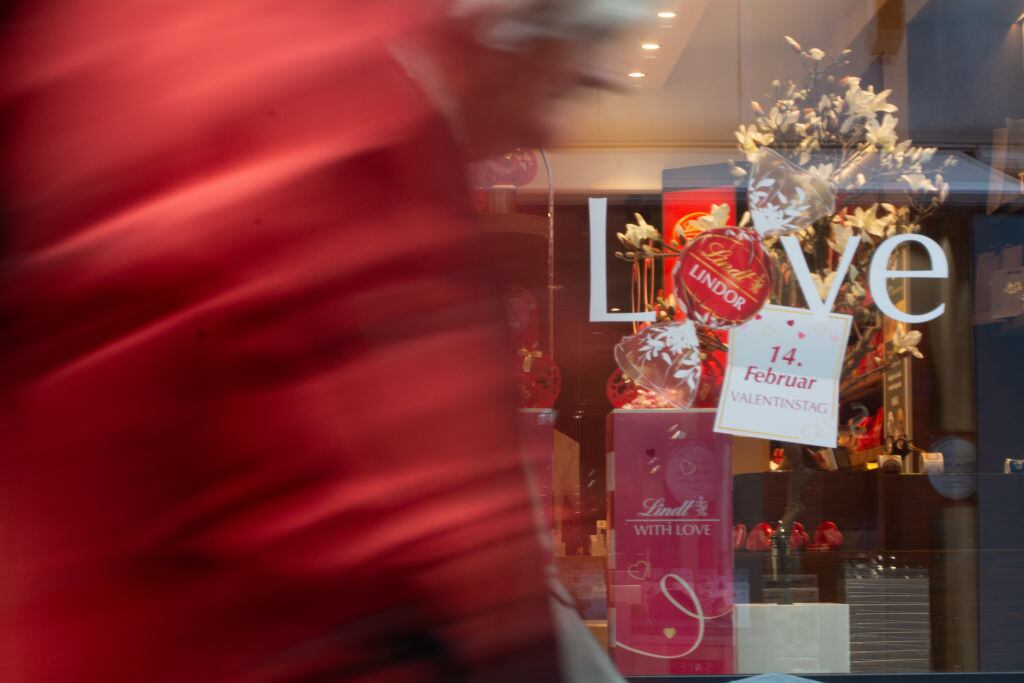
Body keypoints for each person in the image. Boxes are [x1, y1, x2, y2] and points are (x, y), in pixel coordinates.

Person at [0, 1, 642, 681]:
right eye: (566, 82)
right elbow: (430, 515)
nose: (548, 128)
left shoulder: (265, 71)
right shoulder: (334, 114)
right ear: (512, 28)